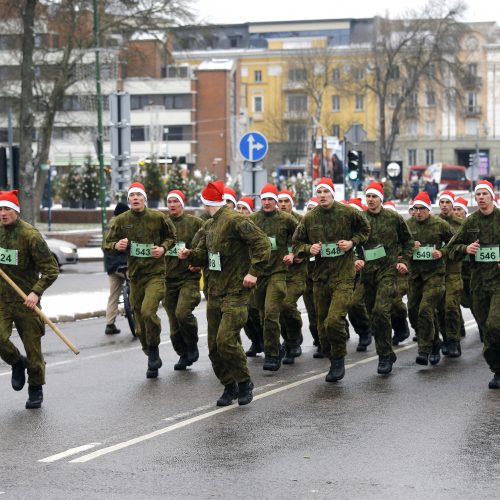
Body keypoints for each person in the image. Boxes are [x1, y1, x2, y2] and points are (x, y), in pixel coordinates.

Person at [179, 180, 271, 406]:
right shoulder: (209, 225)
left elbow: (263, 244)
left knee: (225, 340)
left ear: (205, 202)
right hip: (215, 292)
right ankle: (230, 386)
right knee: (213, 347)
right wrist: (189, 255)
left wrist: (254, 272)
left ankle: (245, 382)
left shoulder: (235, 220)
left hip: (236, 291)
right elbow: (204, 256)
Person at [293, 178, 370, 382]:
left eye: (326, 191)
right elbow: (296, 244)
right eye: (319, 192)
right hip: (320, 278)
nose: (322, 195)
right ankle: (331, 353)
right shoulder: (309, 218)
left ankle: (338, 359)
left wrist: (352, 242)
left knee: (334, 320)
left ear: (333, 193)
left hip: (344, 276)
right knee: (322, 326)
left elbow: (366, 230)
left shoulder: (348, 213)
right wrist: (309, 248)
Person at [104, 182, 176, 379]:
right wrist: (116, 245)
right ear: (128, 200)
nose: (135, 198)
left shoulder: (158, 218)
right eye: (132, 195)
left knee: (147, 311)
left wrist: (163, 248)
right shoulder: (121, 221)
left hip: (155, 274)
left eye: (139, 195)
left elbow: (172, 237)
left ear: (144, 199)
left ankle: (153, 349)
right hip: (135, 276)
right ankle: (149, 349)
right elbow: (106, 243)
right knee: (138, 320)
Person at [0, 190, 59, 409]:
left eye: (7, 209)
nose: (3, 213)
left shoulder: (30, 235)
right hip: (2, 300)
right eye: (0, 209)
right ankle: (16, 362)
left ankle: (36, 388)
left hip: (26, 301)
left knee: (33, 350)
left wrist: (36, 292)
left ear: (16, 210)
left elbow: (51, 270)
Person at [355, 182, 414, 374]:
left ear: (381, 198)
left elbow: (408, 241)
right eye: (368, 196)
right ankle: (387, 352)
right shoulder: (360, 219)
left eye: (374, 196)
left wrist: (404, 260)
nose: (371, 200)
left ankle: (384, 355)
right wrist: (356, 259)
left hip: (388, 272)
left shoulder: (393, 217)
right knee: (374, 316)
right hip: (367, 275)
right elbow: (353, 244)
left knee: (381, 311)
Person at [448, 180, 500, 389]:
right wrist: (465, 249)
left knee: (496, 324)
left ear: (491, 196)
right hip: (478, 284)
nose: (480, 197)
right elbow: (451, 249)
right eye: (477, 194)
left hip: (498, 283)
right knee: (487, 329)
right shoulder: (470, 222)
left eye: (484, 194)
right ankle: (497, 367)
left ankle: (498, 370)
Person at [250, 183, 298, 371]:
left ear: (276, 201)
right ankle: (277, 346)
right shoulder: (253, 219)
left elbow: (300, 238)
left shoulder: (286, 220)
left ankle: (271, 354)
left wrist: (293, 253)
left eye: (271, 199)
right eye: (265, 199)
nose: (268, 202)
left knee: (271, 313)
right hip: (260, 274)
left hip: (278, 272)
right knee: (262, 315)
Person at [406, 192, 454, 366]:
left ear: (428, 209)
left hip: (435, 274)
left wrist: (441, 252)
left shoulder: (440, 225)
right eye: (415, 209)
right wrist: (410, 246)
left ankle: (425, 350)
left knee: (425, 309)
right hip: (415, 275)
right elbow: (398, 247)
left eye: (422, 209)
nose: (418, 212)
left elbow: (455, 244)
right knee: (412, 311)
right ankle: (435, 342)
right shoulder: (407, 225)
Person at [163, 189, 203, 370]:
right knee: (173, 321)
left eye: (175, 201)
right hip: (168, 279)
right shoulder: (162, 223)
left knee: (182, 313)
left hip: (189, 277)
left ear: (182, 204)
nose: (172, 205)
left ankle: (192, 344)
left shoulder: (195, 223)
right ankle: (183, 354)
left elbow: (207, 244)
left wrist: (199, 262)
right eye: (169, 201)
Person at [277, 189, 307, 364]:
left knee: (287, 304)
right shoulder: (272, 221)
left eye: (285, 201)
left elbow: (312, 245)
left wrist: (300, 254)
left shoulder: (302, 221)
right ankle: (289, 342)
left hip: (297, 273)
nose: (282, 205)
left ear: (292, 202)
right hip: (277, 272)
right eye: (279, 201)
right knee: (277, 309)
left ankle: (294, 337)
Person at [436, 190, 464, 357]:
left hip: (453, 271)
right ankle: (445, 338)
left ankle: (454, 341)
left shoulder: (461, 224)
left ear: (453, 205)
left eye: (448, 202)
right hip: (436, 272)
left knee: (451, 306)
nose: (445, 206)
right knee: (439, 308)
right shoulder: (433, 222)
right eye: (442, 202)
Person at [103, 202, 130, 335]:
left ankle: (109, 324)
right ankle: (139, 323)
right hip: (124, 264)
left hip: (111, 266)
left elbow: (105, 245)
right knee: (137, 287)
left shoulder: (108, 225)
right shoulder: (122, 224)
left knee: (113, 295)